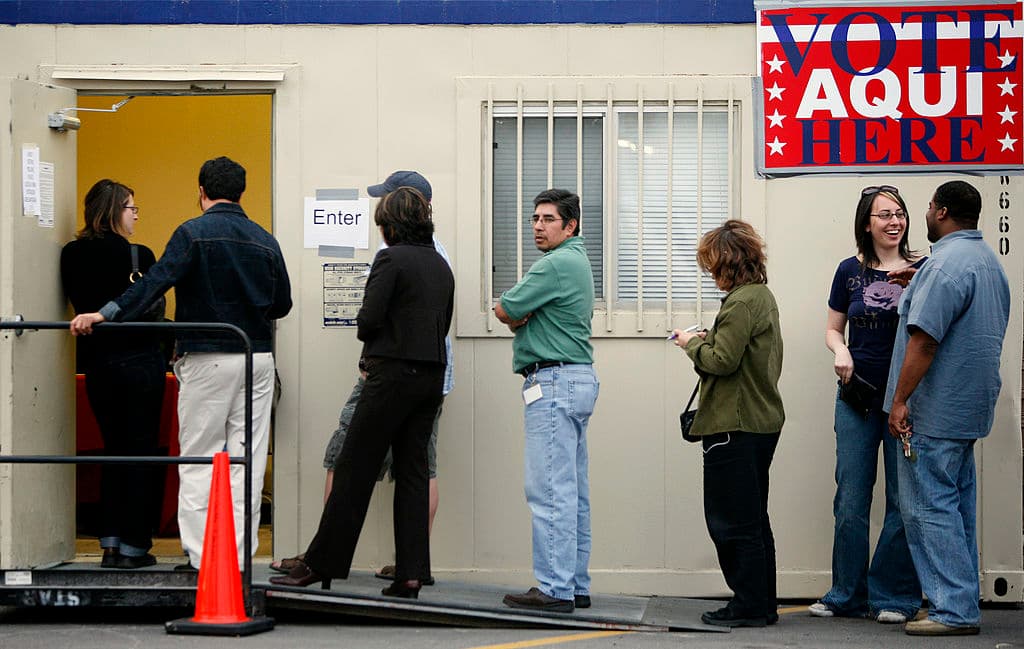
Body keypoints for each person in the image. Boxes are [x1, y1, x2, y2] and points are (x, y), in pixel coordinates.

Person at [69, 157, 292, 571]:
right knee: (248, 460)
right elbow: (283, 305)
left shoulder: (192, 234)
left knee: (199, 458)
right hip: (256, 358)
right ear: (241, 192)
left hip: (206, 357)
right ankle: (239, 558)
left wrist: (106, 313)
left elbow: (156, 283)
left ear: (201, 192)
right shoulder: (266, 240)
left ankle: (201, 558)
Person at [270, 171, 453, 586]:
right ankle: (411, 574)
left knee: (353, 467)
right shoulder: (440, 264)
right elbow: (442, 324)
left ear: (390, 225)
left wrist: (377, 336)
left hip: (390, 374)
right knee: (412, 472)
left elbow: (368, 320)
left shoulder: (391, 258)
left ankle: (320, 565)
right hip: (430, 376)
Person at [886, 180, 1010, 637]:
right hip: (968, 409)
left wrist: (899, 401)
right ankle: (957, 599)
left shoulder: (944, 266)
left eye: (928, 207)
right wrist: (919, 279)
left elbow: (926, 341)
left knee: (927, 507)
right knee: (955, 505)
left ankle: (952, 611)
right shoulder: (984, 262)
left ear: (939, 212)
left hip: (934, 411)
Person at [809, 186, 924, 623]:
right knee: (851, 499)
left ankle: (894, 597)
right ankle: (846, 593)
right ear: (866, 223)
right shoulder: (848, 271)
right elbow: (833, 329)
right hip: (856, 397)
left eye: (900, 214)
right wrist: (840, 350)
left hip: (906, 401)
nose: (894, 222)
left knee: (903, 501)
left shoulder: (923, 269)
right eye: (884, 215)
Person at [670, 219, 784, 628]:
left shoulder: (739, 303)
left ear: (727, 265)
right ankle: (761, 601)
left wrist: (691, 342)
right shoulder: (761, 297)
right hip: (760, 421)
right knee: (753, 519)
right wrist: (710, 339)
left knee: (730, 521)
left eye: (713, 266)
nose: (711, 274)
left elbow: (722, 361)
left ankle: (749, 605)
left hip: (733, 426)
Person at [494, 189, 599, 614]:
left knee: (549, 490)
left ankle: (555, 589)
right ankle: (574, 583)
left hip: (553, 381)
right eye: (535, 218)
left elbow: (505, 309)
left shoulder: (555, 264)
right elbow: (518, 311)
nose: (538, 226)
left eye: (548, 219)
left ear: (570, 225)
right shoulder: (577, 261)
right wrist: (525, 313)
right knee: (572, 491)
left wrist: (521, 314)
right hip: (575, 379)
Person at [60, 179, 167, 570]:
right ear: (112, 211)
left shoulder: (70, 254)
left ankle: (108, 543)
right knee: (140, 453)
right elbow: (155, 307)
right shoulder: (140, 255)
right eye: (131, 207)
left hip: (97, 366)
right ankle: (134, 548)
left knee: (112, 450)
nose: (136, 215)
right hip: (140, 363)